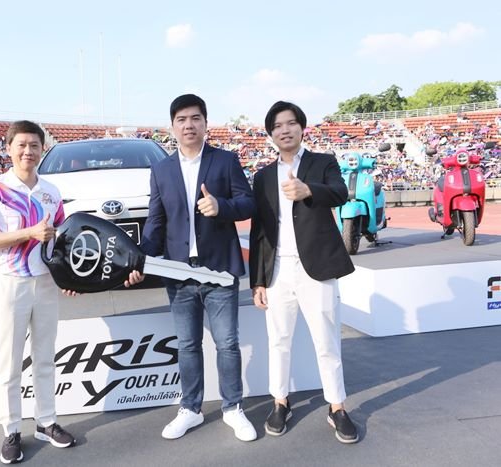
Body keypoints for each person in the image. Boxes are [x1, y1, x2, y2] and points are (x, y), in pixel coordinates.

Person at [126, 94, 257, 442]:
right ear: (172, 126)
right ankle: (191, 409)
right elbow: (156, 223)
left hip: (219, 270)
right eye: (182, 119)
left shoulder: (225, 161)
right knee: (187, 345)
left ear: (205, 123)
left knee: (227, 343)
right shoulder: (161, 170)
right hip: (179, 274)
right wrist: (140, 260)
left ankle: (233, 408)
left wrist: (221, 206)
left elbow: (248, 203)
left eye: (195, 118)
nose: (189, 125)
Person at [249, 101, 359, 444]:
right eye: (278, 125)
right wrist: (258, 280)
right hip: (278, 270)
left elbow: (340, 193)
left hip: (317, 267)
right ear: (270, 134)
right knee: (278, 341)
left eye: (291, 123)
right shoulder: (263, 176)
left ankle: (337, 407)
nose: (285, 130)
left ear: (302, 127)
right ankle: (280, 402)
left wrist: (308, 190)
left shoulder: (322, 162)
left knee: (327, 341)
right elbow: (259, 230)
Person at [0, 120, 77, 464]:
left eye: (34, 145)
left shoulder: (51, 192)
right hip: (9, 282)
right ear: (9, 148)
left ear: (42, 149)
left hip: (45, 282)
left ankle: (46, 422)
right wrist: (28, 232)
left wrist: (68, 277)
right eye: (21, 145)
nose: (28, 151)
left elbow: (61, 239)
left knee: (45, 357)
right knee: (10, 362)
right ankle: (11, 430)